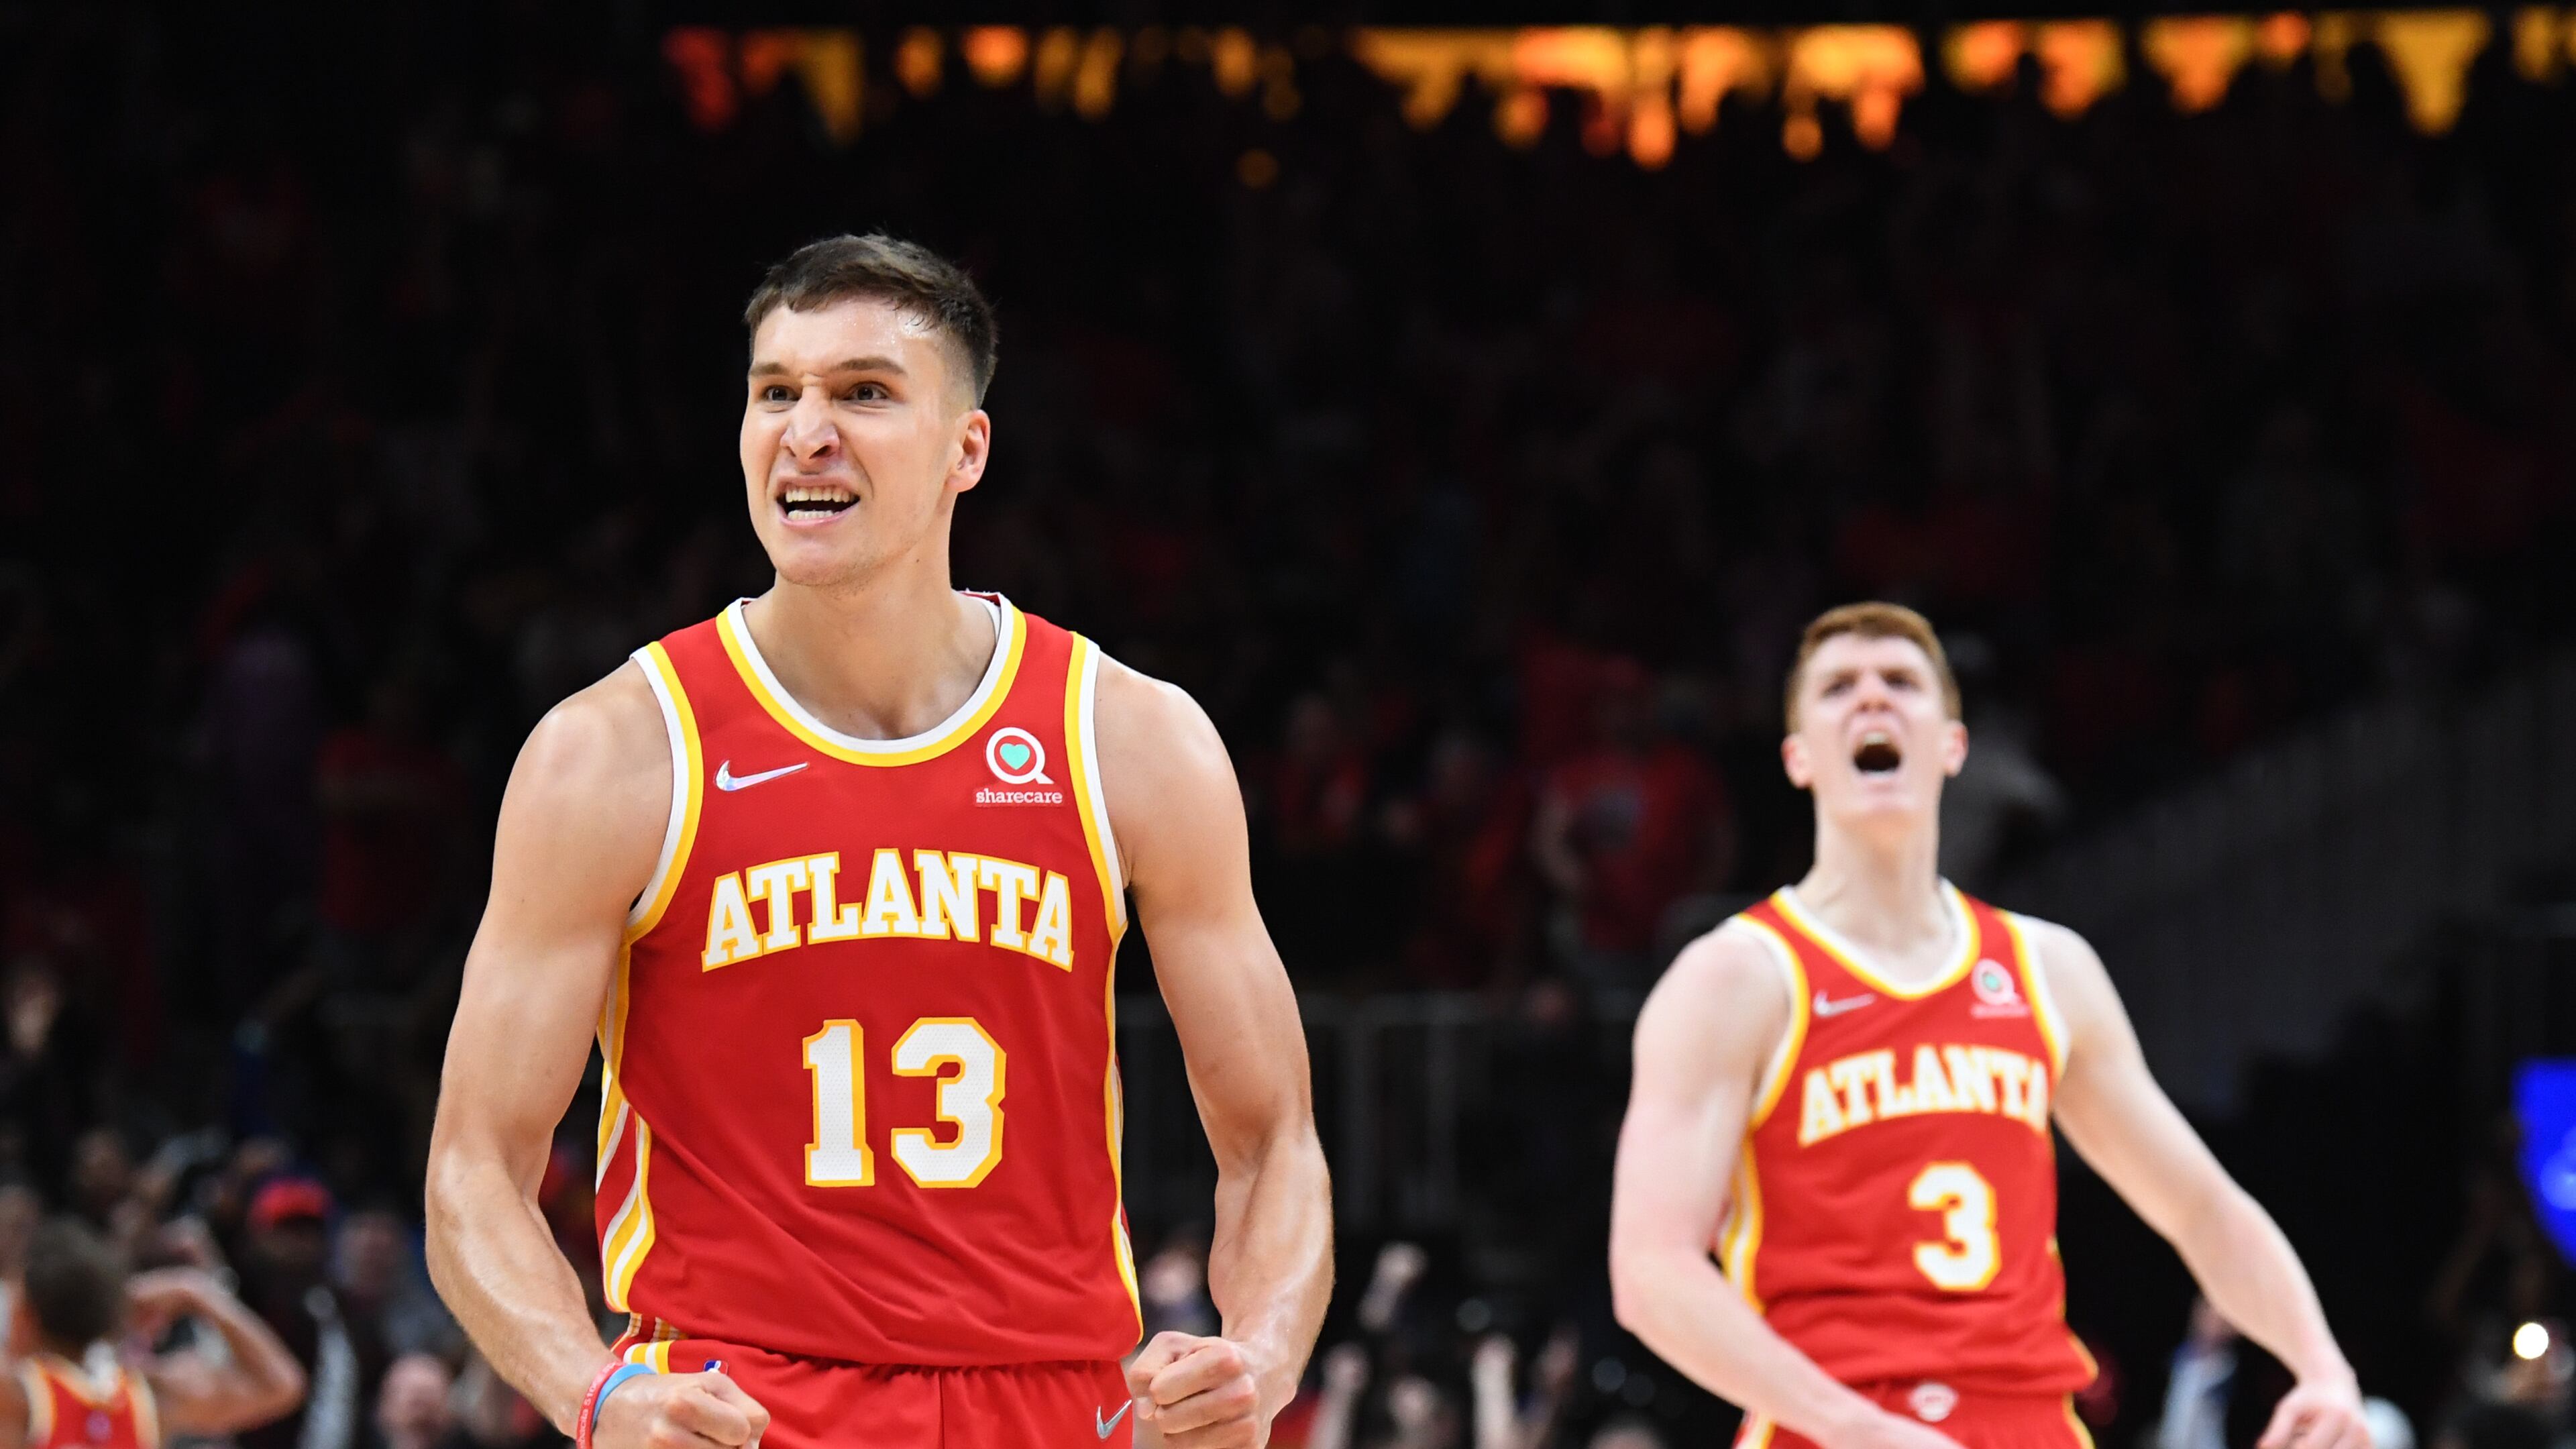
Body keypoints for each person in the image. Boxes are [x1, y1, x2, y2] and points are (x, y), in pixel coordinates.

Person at [425, 234, 1331, 1449]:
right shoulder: (617, 752)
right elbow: (473, 1169)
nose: (806, 431)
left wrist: (1261, 1360)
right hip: (740, 1407)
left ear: (969, 450)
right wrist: (597, 1393)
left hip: (1056, 1404)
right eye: (774, 393)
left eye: (863, 392)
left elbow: (1274, 1142)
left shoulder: (1130, 739)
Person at [1608, 603, 2372, 1449]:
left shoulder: (2048, 971)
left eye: (1902, 683)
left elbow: (2200, 1207)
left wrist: (2323, 1367)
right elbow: (1652, 1273)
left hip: (2031, 1424)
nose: (1872, 703)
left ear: (1953, 745)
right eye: (1837, 689)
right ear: (1796, 758)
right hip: (1835, 1429)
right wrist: (1859, 1429)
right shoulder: (1737, 977)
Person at [0, 1216, 307, 1448]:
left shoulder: (16, 1395)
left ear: (25, 1316)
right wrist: (196, 1292)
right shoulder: (149, 1396)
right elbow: (282, 1384)